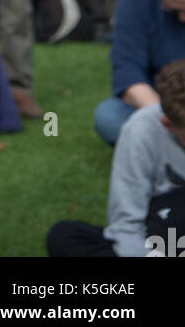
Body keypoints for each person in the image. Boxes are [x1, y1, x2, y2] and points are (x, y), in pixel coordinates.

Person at [48, 59, 185, 257]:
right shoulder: (140, 131)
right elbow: (127, 223)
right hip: (157, 234)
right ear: (167, 124)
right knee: (64, 236)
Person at [93, 0, 185, 145]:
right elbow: (128, 74)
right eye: (175, 9)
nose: (183, 18)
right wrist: (172, 119)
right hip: (160, 103)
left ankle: (160, 149)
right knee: (109, 116)